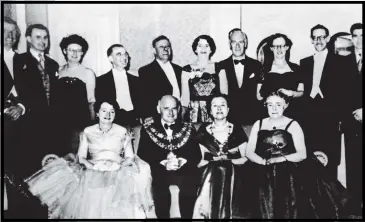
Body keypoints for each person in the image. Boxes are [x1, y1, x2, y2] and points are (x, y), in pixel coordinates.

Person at [24, 101, 156, 219]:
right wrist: (94, 167)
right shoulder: (88, 131)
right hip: (93, 168)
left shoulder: (122, 131)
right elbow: (81, 157)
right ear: (97, 113)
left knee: (121, 192)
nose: (108, 114)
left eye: (112, 111)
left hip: (117, 168)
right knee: (91, 194)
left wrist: (118, 165)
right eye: (104, 110)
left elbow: (130, 156)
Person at [245, 92, 351, 219]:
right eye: (270, 105)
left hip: (289, 165)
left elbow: (302, 153)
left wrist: (280, 159)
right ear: (265, 106)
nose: (274, 108)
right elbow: (249, 151)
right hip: (262, 165)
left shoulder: (293, 124)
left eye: (278, 105)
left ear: (285, 106)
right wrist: (262, 161)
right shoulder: (259, 123)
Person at [137, 95, 201, 219]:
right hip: (159, 169)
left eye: (174, 108)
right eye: (166, 108)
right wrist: (163, 162)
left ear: (178, 109)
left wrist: (182, 161)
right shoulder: (147, 128)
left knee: (190, 182)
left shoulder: (188, 128)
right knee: (160, 186)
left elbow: (196, 154)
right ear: (158, 109)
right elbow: (143, 154)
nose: (171, 112)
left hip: (183, 170)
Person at [299, 24, 348, 179]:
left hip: (331, 117)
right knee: (311, 159)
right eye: (315, 37)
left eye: (322, 36)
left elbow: (344, 93)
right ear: (311, 40)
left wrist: (341, 119)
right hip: (310, 116)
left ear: (327, 38)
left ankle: (332, 200)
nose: (318, 40)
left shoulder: (340, 62)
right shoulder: (304, 62)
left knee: (330, 159)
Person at [13, 23, 60, 185]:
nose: (42, 41)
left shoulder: (53, 64)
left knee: (48, 165)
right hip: (29, 122)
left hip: (51, 123)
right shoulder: (18, 61)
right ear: (28, 39)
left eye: (45, 37)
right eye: (38, 37)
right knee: (30, 166)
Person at [192, 94, 249, 219]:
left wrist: (229, 161)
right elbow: (199, 161)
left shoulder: (237, 129)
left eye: (222, 105)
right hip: (209, 175)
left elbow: (246, 157)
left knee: (226, 169)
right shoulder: (202, 131)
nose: (219, 108)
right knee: (213, 169)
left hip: (235, 173)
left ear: (228, 109)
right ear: (210, 110)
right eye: (215, 105)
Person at [53, 34, 96, 154]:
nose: (75, 53)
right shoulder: (57, 71)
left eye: (78, 50)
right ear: (64, 51)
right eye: (71, 50)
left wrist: (91, 127)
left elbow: (91, 100)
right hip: (59, 122)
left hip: (79, 122)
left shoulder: (88, 73)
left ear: (82, 53)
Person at [218, 28, 264, 136]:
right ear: (229, 44)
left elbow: (260, 95)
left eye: (241, 42)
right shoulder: (221, 65)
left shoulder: (257, 65)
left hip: (252, 120)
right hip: (229, 120)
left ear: (246, 43)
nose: (237, 46)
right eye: (234, 42)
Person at [181, 35, 228, 123]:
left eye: (206, 46)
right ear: (195, 49)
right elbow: (185, 98)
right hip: (193, 114)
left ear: (211, 49)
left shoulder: (220, 67)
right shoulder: (186, 69)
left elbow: (224, 94)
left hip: (214, 110)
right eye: (200, 45)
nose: (203, 48)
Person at [257, 33, 304, 121]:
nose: (279, 49)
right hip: (270, 113)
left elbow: (302, 92)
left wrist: (292, 93)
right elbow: (258, 96)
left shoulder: (296, 68)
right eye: (275, 46)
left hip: (292, 114)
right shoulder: (263, 69)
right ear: (271, 48)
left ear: (287, 47)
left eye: (282, 46)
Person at [342, 23, 362, 217]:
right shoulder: (344, 62)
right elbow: (341, 93)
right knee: (353, 164)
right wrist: (353, 112)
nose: (359, 39)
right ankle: (355, 205)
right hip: (352, 122)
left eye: (363, 35)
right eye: (355, 36)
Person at [96, 44, 141, 127]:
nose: (124, 57)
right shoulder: (101, 81)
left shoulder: (137, 81)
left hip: (136, 122)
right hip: (114, 122)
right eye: (119, 54)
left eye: (125, 54)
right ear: (111, 58)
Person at [138, 35, 182, 120]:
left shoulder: (179, 70)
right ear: (154, 50)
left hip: (180, 117)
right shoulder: (145, 71)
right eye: (161, 47)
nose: (165, 49)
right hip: (157, 118)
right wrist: (147, 117)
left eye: (168, 46)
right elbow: (143, 98)